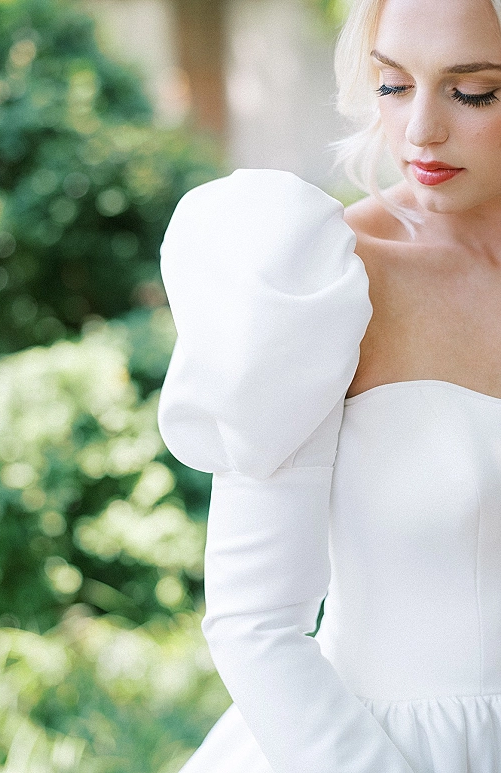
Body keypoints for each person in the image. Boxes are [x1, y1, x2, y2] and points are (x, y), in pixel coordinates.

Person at [158, 0, 501, 770]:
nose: (420, 130)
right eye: (392, 85)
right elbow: (254, 623)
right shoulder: (319, 282)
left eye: (473, 91)